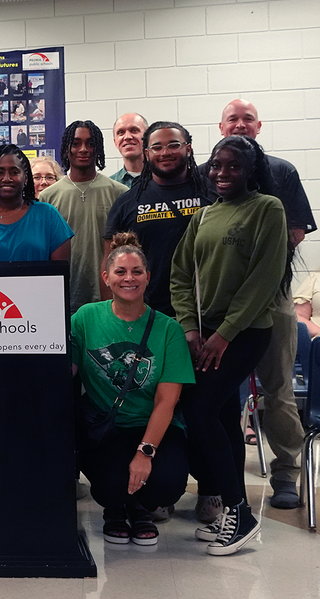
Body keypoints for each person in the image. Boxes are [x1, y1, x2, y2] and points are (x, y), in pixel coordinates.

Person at [171, 135, 290, 555]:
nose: (222, 174)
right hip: (203, 334)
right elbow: (180, 275)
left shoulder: (267, 209)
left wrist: (225, 334)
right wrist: (190, 329)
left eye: (233, 166)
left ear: (250, 170)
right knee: (219, 418)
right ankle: (232, 512)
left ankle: (239, 511)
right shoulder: (203, 216)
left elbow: (264, 280)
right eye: (216, 165)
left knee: (199, 411)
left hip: (244, 333)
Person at [206, 98, 315, 511]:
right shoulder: (209, 172)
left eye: (247, 119)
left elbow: (296, 231)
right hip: (220, 296)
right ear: (220, 126)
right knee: (219, 391)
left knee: (279, 388)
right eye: (232, 119)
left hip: (273, 294)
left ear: (259, 126)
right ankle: (224, 477)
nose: (240, 124)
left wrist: (254, 264)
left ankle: (287, 470)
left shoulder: (282, 172)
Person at [72, 233, 193, 545]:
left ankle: (142, 507)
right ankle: (116, 507)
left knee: (166, 484)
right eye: (121, 272)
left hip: (154, 425)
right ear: (106, 278)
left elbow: (167, 401)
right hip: (106, 427)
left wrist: (145, 452)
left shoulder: (169, 329)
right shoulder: (85, 318)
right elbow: (67, 369)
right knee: (110, 485)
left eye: (137, 271)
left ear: (148, 277)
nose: (129, 278)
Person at [104, 122, 211, 316]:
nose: (165, 152)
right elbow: (110, 260)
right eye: (157, 147)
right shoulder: (128, 201)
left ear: (188, 148)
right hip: (150, 313)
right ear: (146, 154)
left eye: (173, 145)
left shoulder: (212, 194)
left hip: (208, 311)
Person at [40, 121, 128, 313]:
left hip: (108, 298)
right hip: (63, 296)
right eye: (76, 143)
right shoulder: (47, 197)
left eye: (90, 143)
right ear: (66, 148)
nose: (83, 149)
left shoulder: (119, 193)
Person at [109, 113, 148, 187]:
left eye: (134, 130)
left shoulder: (165, 179)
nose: (127, 137)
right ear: (115, 142)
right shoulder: (110, 186)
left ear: (148, 137)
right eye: (121, 132)